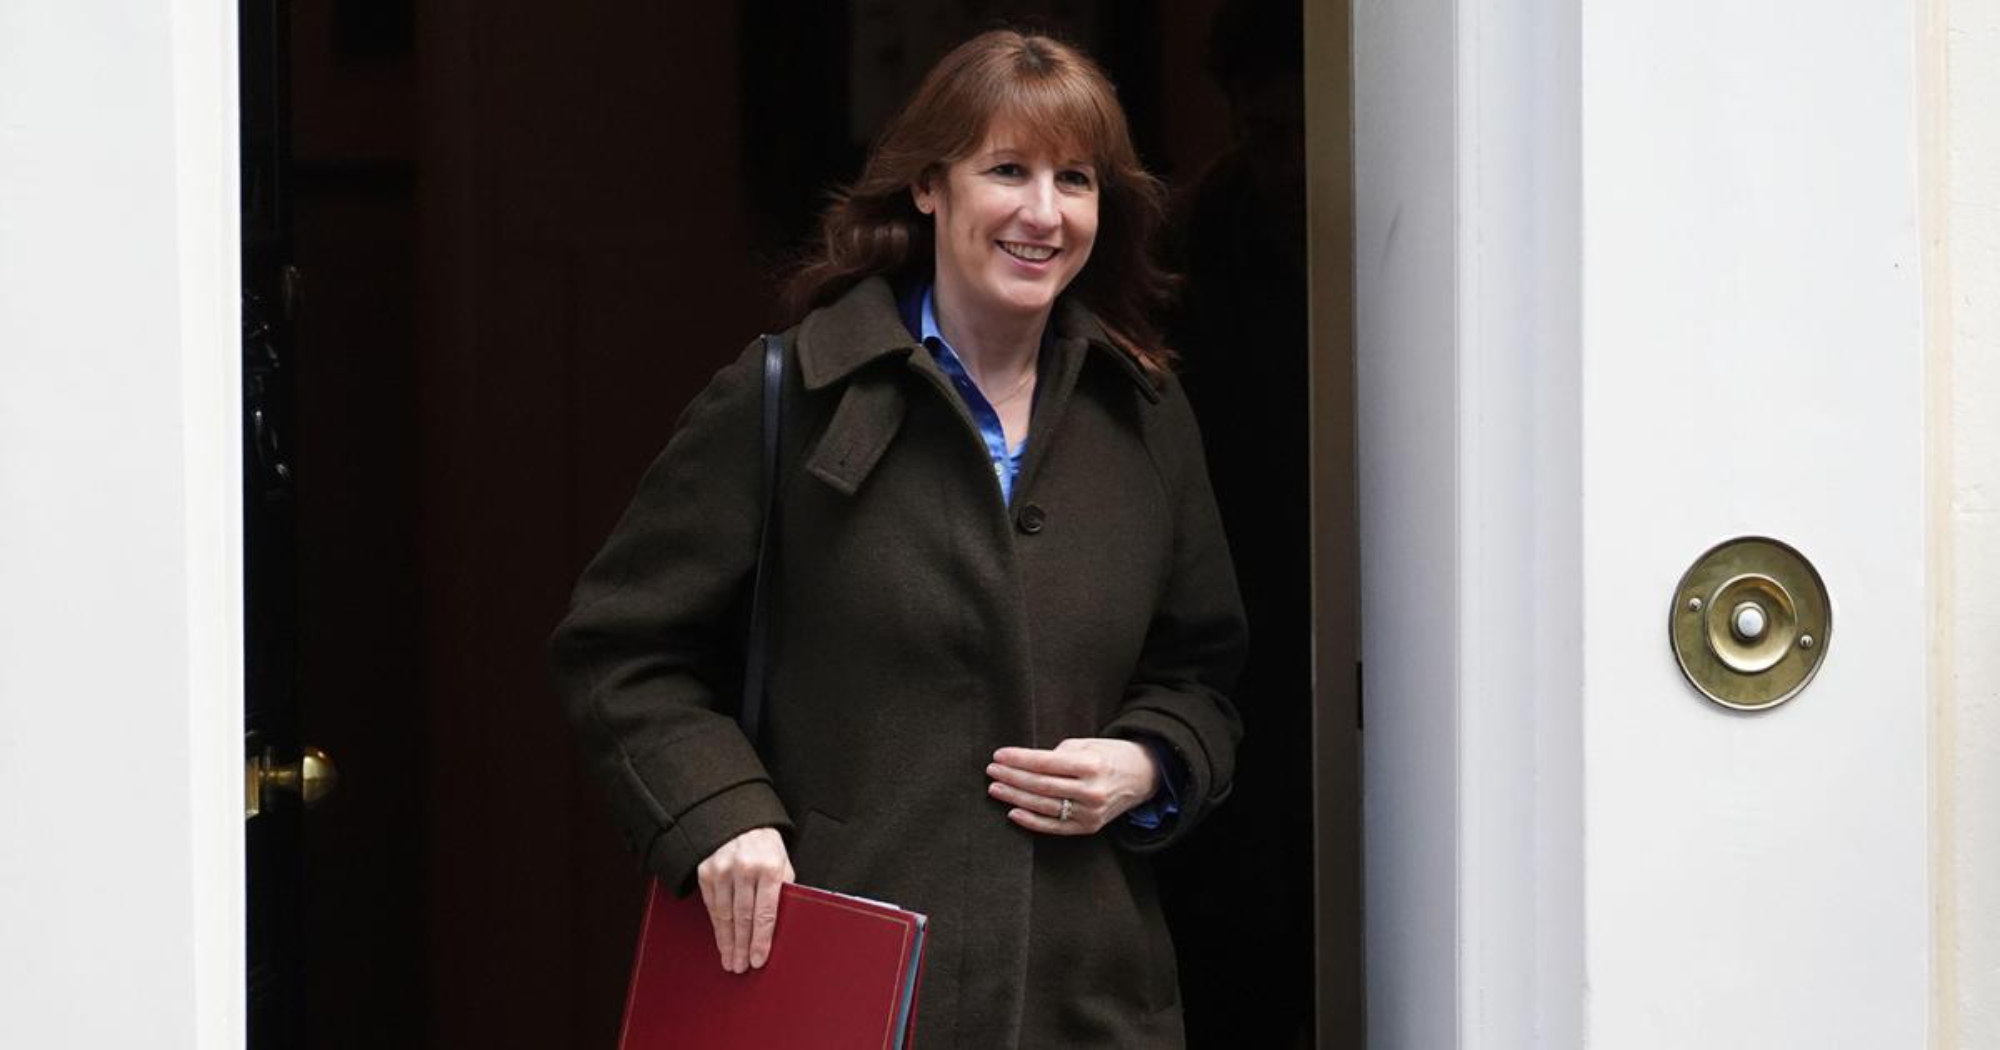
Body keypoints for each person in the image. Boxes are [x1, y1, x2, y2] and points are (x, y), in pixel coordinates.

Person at [550, 29, 1246, 1048]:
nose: (1043, 213)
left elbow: (1203, 675)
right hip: (843, 988)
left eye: (1075, 179)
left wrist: (1147, 762)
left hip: (1088, 1001)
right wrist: (720, 811)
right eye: (1006, 170)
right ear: (929, 186)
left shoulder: (1144, 414)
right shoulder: (791, 396)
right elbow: (619, 648)